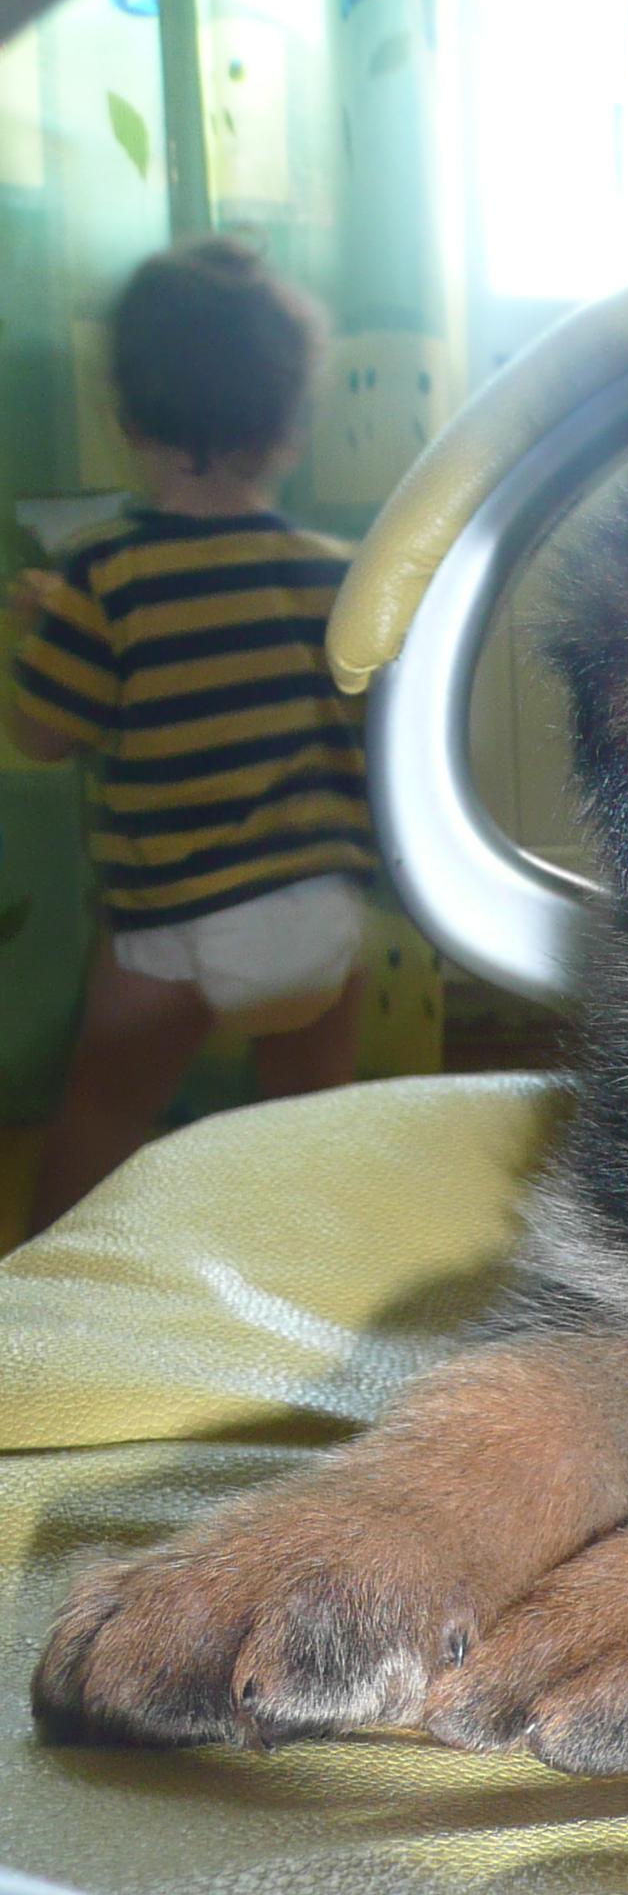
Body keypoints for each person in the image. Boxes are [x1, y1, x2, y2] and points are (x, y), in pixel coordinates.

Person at [6, 235, 372, 1230]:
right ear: (291, 423)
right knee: (317, 1128)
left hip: (172, 918)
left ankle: (41, 1291)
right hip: (316, 906)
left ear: (127, 416)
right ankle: (324, 1280)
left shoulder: (105, 575)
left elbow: (41, 733)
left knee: (101, 1114)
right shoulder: (336, 574)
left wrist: (44, 630)